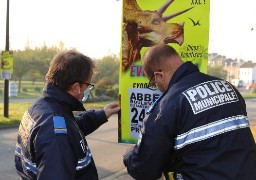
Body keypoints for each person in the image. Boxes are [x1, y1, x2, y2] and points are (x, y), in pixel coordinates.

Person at [123, 44, 256, 180]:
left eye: (152, 82)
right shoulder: (227, 87)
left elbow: (144, 170)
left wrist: (129, 156)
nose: (155, 86)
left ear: (159, 75)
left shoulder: (167, 106)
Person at [14, 50, 120, 180]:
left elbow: (73, 127)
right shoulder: (57, 135)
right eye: (88, 85)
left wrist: (102, 114)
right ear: (76, 87)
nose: (88, 90)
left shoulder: (41, 106)